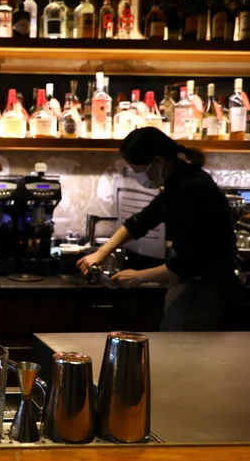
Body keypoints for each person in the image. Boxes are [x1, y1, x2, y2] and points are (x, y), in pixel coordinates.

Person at [77, 127, 241, 331]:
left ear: (158, 162)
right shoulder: (179, 179)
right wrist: (102, 252)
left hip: (206, 287)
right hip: (193, 283)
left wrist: (139, 277)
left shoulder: (190, 189)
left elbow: (186, 263)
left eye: (138, 171)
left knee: (182, 348)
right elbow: (143, 220)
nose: (139, 178)